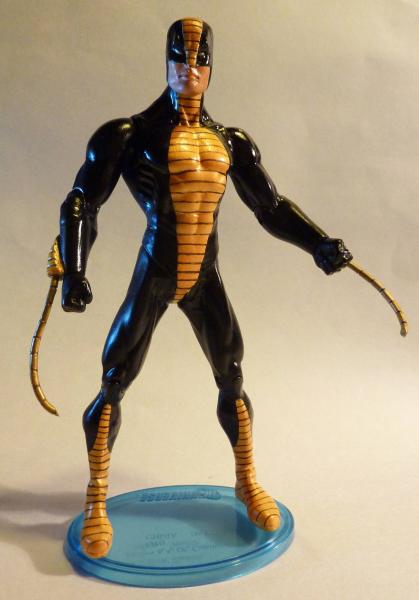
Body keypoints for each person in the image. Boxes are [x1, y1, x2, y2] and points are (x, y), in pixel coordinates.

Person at [59, 17, 352, 558]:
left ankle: (246, 481)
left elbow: (269, 206)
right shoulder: (129, 135)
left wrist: (318, 243)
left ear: (211, 68)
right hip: (156, 269)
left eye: (199, 60)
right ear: (166, 62)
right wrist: (75, 269)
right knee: (115, 378)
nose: (189, 69)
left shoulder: (230, 141)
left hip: (203, 275)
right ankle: (97, 498)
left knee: (231, 375)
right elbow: (82, 201)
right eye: (180, 57)